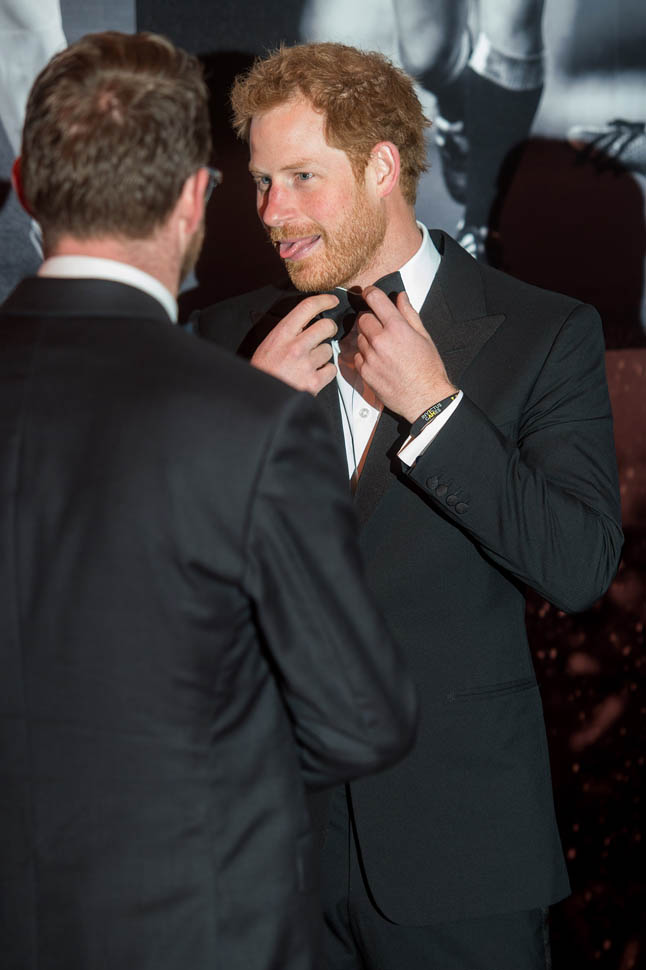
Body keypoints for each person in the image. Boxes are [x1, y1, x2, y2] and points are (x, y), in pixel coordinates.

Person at [193, 41, 624, 970]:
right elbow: (168, 590)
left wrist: (437, 411)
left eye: (301, 178)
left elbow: (579, 565)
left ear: (383, 167)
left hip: (463, 859)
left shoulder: (546, 334)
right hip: (271, 860)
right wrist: (241, 432)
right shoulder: (226, 341)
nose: (271, 212)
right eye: (262, 181)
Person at [0, 32, 419, 970]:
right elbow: (360, 719)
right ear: (195, 198)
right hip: (186, 923)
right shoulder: (250, 422)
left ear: (23, 186)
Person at [301, 0, 547, 260]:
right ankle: (459, 103)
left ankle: (480, 226)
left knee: (512, 25)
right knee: (427, 55)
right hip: (440, 67)